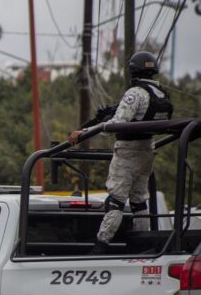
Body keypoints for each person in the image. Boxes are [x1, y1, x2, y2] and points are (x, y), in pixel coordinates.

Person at [68, 51, 173, 254]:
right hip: (147, 151)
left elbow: (117, 123)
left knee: (115, 200)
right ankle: (143, 244)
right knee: (139, 200)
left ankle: (101, 245)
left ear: (133, 71)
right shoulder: (161, 94)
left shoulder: (135, 93)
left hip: (128, 152)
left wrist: (84, 133)